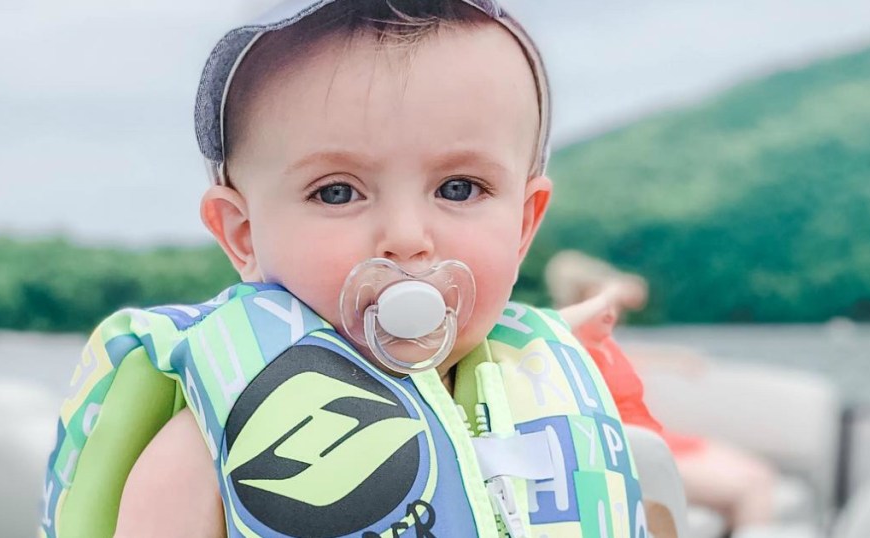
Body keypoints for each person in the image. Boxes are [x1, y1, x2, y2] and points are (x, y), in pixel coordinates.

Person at [40, 2, 657, 537]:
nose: (408, 239)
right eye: (337, 193)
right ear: (244, 234)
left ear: (522, 225)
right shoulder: (218, 445)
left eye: (460, 188)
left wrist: (570, 329)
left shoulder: (544, 375)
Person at [549, 251, 779, 532]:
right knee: (752, 487)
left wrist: (674, 358)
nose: (615, 309)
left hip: (659, 441)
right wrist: (609, 290)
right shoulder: (566, 341)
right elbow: (569, 271)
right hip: (632, 453)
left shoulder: (601, 342)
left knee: (760, 474)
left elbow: (634, 332)